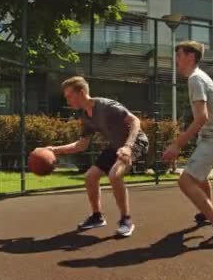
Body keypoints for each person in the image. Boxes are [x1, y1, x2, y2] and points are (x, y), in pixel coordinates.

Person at [39, 76, 149, 237]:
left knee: (114, 175)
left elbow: (135, 121)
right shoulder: (86, 116)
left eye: (70, 96)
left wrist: (127, 146)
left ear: (81, 92)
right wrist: (54, 149)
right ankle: (97, 217)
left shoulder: (106, 106)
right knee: (90, 176)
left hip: (134, 143)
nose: (68, 101)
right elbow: (81, 145)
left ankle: (126, 220)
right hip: (115, 147)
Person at [162, 40, 213, 248]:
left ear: (191, 57)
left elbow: (202, 117)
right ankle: (207, 213)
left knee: (186, 182)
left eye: (179, 56)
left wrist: (177, 144)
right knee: (200, 178)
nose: (176, 60)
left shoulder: (196, 80)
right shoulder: (204, 78)